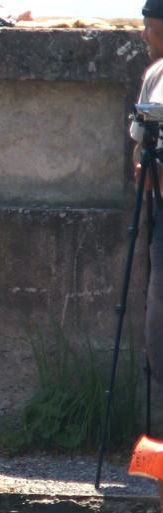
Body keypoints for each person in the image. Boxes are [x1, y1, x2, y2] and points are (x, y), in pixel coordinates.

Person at [133, 0, 163, 389]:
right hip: (162, 217)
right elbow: (139, 144)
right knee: (158, 332)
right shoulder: (156, 74)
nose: (143, 35)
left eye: (150, 27)